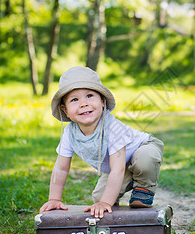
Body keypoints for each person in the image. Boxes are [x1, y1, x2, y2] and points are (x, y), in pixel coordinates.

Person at [39, 66, 164, 218]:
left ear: (103, 101)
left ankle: (144, 187)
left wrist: (106, 202)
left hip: (144, 148)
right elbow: (61, 169)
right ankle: (116, 214)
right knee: (99, 197)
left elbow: (117, 169)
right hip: (119, 164)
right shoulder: (69, 134)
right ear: (65, 110)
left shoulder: (112, 128)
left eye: (89, 96)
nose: (83, 103)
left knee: (145, 159)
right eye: (74, 99)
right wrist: (54, 199)